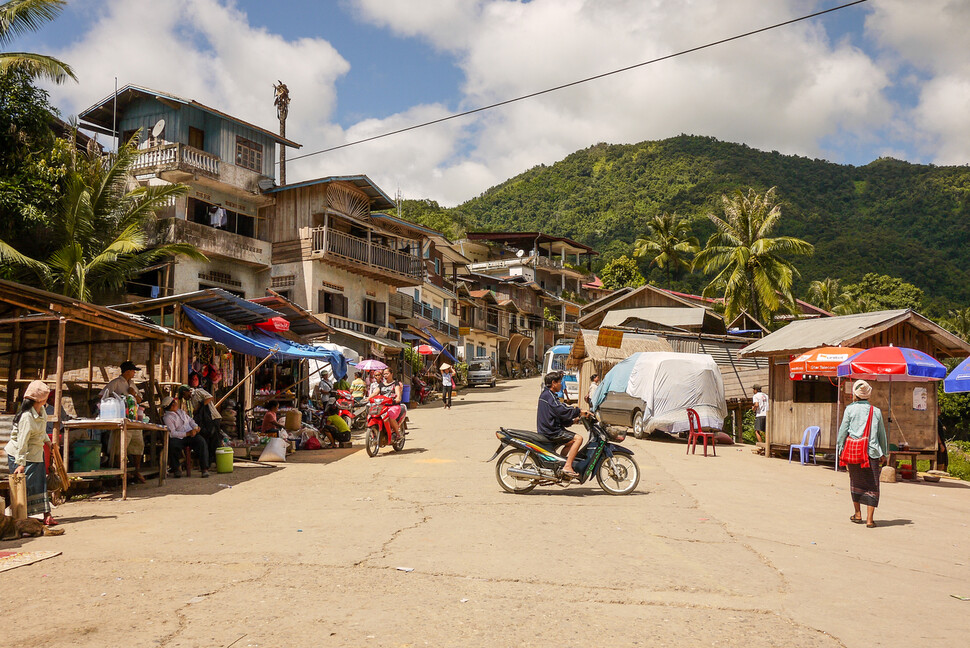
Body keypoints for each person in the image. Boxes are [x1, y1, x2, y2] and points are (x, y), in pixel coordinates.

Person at [836, 380, 888, 528]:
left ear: (855, 394)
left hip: (853, 452)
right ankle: (870, 520)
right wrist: (884, 453)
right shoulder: (876, 411)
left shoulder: (849, 410)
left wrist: (840, 449)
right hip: (871, 453)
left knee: (856, 482)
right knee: (872, 484)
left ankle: (857, 514)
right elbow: (881, 435)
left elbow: (842, 431)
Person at [5, 380, 57, 525]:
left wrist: (48, 442)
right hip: (20, 454)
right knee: (25, 488)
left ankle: (47, 515)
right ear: (41, 399)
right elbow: (22, 441)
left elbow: (41, 430)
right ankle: (22, 520)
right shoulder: (26, 417)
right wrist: (20, 464)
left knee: (40, 485)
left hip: (36, 453)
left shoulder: (42, 411)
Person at [102, 361, 147, 483]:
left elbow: (139, 399)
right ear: (127, 371)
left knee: (138, 445)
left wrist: (133, 394)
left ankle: (136, 471)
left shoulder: (132, 384)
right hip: (121, 418)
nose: (134, 373)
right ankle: (120, 472)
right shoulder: (115, 383)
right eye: (133, 371)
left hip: (134, 418)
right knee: (120, 446)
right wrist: (117, 397)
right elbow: (102, 396)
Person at [538, 371, 586, 479]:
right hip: (551, 431)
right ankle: (568, 466)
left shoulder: (547, 395)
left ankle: (560, 464)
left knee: (569, 443)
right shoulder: (549, 396)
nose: (561, 384)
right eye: (560, 382)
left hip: (550, 428)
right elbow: (560, 409)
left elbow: (557, 414)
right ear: (554, 383)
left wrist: (574, 421)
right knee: (578, 439)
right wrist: (578, 411)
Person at [161, 396, 209, 478]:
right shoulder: (167, 418)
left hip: (190, 435)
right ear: (172, 405)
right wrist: (187, 434)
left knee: (201, 441)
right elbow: (173, 433)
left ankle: (204, 468)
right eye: (174, 402)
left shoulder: (181, 412)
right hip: (179, 437)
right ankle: (176, 469)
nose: (176, 403)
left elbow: (190, 420)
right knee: (172, 445)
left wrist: (195, 427)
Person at [178, 384, 221, 467]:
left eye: (183, 396)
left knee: (215, 441)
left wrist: (200, 406)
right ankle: (208, 463)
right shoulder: (191, 400)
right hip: (205, 422)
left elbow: (210, 397)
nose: (184, 399)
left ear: (185, 392)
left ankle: (217, 463)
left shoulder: (198, 392)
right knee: (207, 441)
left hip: (213, 418)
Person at [379, 368, 404, 440]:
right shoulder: (381, 385)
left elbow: (398, 393)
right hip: (382, 406)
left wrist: (398, 398)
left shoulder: (396, 383)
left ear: (391, 374)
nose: (385, 375)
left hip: (393, 406)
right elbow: (375, 393)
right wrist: (368, 398)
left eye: (387, 374)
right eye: (384, 374)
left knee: (390, 417)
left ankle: (397, 433)